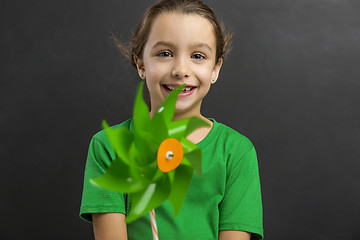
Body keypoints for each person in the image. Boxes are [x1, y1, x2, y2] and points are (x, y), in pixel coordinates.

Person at [80, 0, 263, 239]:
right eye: (165, 53)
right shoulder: (108, 147)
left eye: (198, 56)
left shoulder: (237, 152)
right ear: (141, 64)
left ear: (215, 68)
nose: (180, 69)